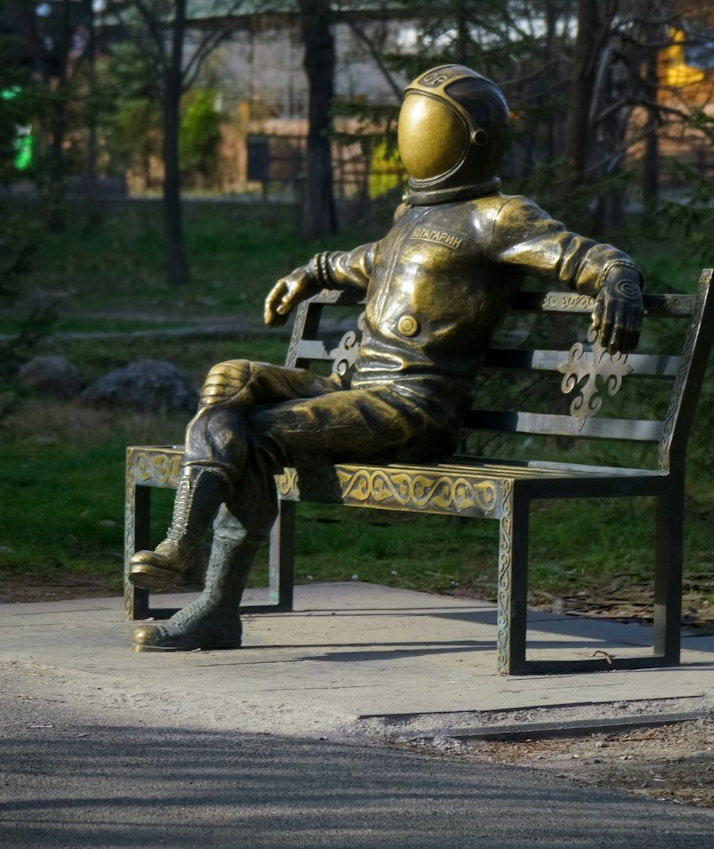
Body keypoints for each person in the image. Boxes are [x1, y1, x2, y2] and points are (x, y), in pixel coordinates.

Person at [130, 64, 644, 650]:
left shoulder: (498, 216)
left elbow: (583, 255)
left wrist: (619, 280)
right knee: (231, 378)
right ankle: (182, 546)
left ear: (466, 138)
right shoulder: (413, 216)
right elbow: (369, 260)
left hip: (414, 406)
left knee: (260, 434)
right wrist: (312, 271)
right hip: (359, 392)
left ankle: (215, 604)